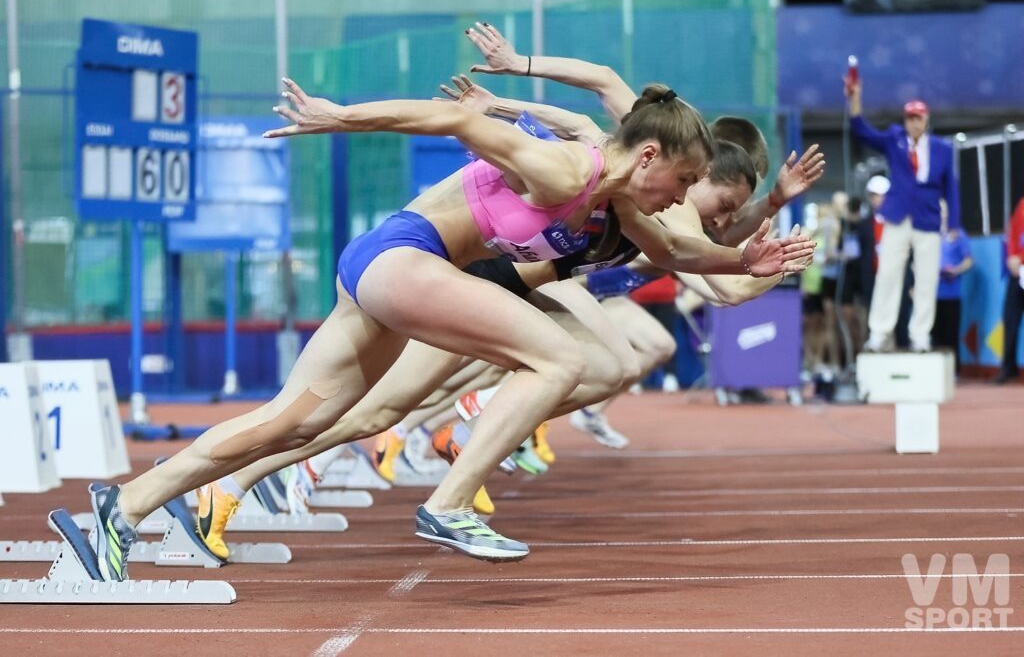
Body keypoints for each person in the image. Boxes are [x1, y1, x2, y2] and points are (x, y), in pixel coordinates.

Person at [83, 78, 813, 578]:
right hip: (404, 256)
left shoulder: (620, 208)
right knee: (559, 358)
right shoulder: (567, 171)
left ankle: (125, 507)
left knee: (293, 424)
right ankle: (449, 503)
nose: (683, 197)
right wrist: (342, 118)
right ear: (650, 156)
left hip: (395, 274)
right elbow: (462, 121)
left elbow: (682, 251)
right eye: (683, 183)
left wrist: (742, 254)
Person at [845, 77, 960, 353]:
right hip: (897, 217)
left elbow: (951, 187)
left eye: (918, 118)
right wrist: (855, 99)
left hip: (928, 219)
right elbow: (861, 130)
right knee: (887, 274)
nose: (913, 123)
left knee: (926, 278)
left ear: (926, 119)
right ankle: (880, 332)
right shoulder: (894, 138)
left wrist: (953, 222)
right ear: (905, 120)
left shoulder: (942, 149)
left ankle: (920, 334)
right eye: (909, 118)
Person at [932, 201, 973, 373]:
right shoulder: (929, 234)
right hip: (931, 294)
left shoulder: (959, 234)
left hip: (951, 293)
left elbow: (969, 260)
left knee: (950, 333)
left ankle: (952, 370)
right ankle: (935, 370)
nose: (941, 213)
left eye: (944, 210)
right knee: (934, 334)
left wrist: (955, 270)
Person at [992, 197, 1024, 384]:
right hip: (1016, 273)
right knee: (1010, 319)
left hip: (1021, 263)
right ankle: (1008, 367)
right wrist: (1012, 256)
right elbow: (1012, 232)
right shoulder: (1021, 204)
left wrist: (1020, 257)